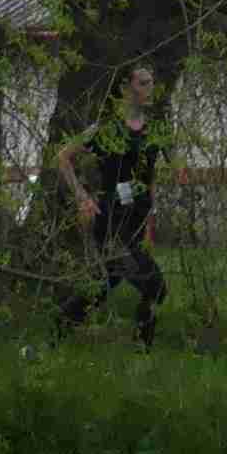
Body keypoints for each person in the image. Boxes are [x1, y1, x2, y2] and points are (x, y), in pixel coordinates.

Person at [47, 61, 170, 348]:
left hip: (137, 217)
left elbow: (150, 176)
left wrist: (150, 217)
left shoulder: (154, 129)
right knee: (155, 286)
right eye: (143, 83)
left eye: (151, 82)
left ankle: (61, 325)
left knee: (106, 283)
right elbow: (63, 157)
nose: (150, 88)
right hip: (112, 219)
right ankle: (142, 347)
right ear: (126, 88)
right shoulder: (106, 128)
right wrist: (82, 197)